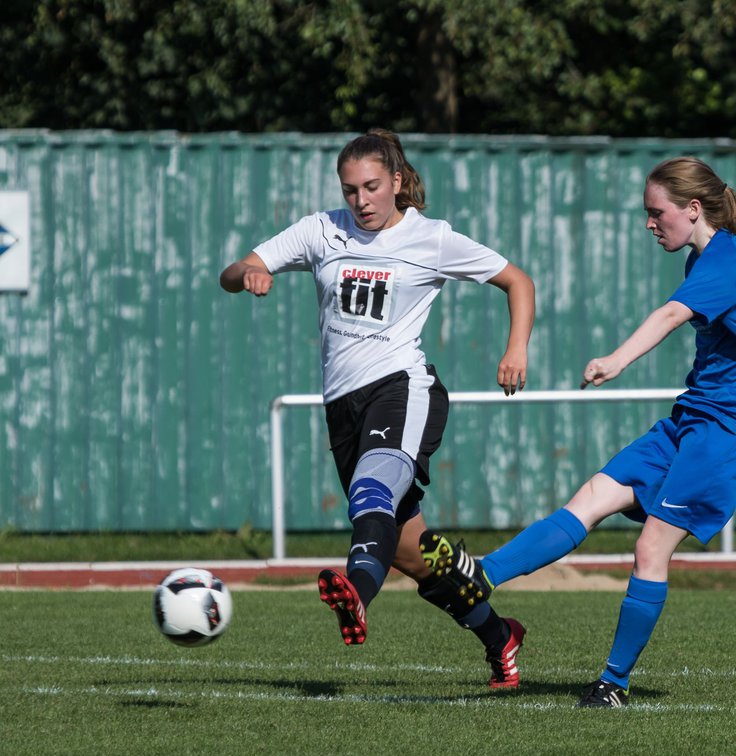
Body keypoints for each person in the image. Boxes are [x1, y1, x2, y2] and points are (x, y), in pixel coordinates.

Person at [419, 156, 736, 707]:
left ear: (692, 209)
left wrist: (616, 360)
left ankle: (613, 683)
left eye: (656, 213)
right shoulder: (715, 256)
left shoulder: (723, 260)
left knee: (650, 547)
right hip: (698, 415)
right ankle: (482, 577)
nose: (649, 223)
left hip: (733, 428)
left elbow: (668, 317)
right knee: (592, 496)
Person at [218, 129, 536, 689]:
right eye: (350, 190)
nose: (360, 200)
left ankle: (357, 596)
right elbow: (231, 271)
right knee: (414, 558)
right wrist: (248, 274)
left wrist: (515, 349)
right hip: (343, 407)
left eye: (370, 187)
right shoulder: (321, 230)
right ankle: (500, 637)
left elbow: (518, 281)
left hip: (403, 387)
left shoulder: (430, 238)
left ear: (395, 182)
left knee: (372, 492)